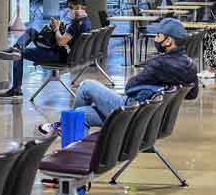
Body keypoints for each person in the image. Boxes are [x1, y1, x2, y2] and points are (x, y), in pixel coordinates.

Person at [36, 18, 198, 135]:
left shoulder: (159, 63)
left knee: (86, 86)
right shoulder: (190, 65)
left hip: (131, 113)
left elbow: (130, 88)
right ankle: (67, 126)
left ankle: (66, 126)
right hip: (150, 117)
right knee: (82, 113)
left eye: (158, 36)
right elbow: (192, 94)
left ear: (168, 41)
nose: (155, 39)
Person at [0, 0, 91, 98]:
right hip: (64, 54)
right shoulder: (86, 22)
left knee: (18, 54)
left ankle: (16, 87)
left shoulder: (77, 23)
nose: (69, 10)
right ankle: (17, 47)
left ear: (81, 7)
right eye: (70, 7)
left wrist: (56, 29)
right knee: (31, 31)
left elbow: (61, 42)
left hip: (59, 56)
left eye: (72, 8)